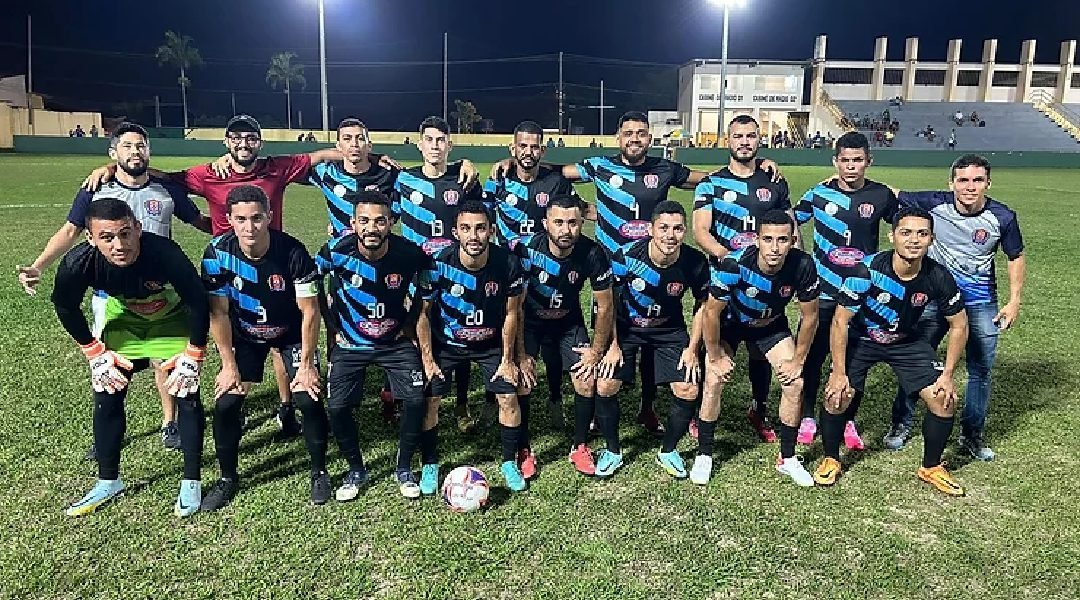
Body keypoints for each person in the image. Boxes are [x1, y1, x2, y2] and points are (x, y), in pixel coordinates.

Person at [80, 115, 404, 437]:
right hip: (227, 271)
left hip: (274, 264)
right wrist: (112, 169)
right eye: (236, 138)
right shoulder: (209, 173)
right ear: (227, 142)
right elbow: (168, 178)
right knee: (236, 338)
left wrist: (371, 156)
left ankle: (286, 406)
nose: (243, 144)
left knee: (281, 339)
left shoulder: (276, 167)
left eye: (250, 138)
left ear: (259, 143)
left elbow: (319, 155)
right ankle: (235, 398)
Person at [494, 111, 778, 437]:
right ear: (618, 137)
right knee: (606, 333)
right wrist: (512, 161)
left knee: (652, 339)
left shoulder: (665, 169)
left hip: (654, 267)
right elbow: (555, 171)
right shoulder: (600, 165)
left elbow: (711, 178)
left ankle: (647, 407)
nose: (634, 138)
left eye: (641, 133)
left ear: (649, 138)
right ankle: (598, 410)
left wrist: (755, 164)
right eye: (628, 133)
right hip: (610, 270)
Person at [18, 122, 211, 455]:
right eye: (127, 146)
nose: (135, 152)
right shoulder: (96, 187)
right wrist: (39, 265)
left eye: (141, 146)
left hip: (159, 287)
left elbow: (200, 221)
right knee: (108, 364)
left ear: (149, 151)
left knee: (164, 360)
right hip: (110, 293)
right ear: (113, 153)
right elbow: (70, 231)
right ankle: (107, 435)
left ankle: (170, 422)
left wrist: (238, 234)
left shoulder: (166, 190)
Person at [51, 199, 210, 517]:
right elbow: (65, 305)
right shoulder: (78, 262)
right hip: (125, 321)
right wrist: (94, 352)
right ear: (91, 239)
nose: (119, 244)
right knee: (107, 389)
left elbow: (197, 301)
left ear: (138, 228)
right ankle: (108, 481)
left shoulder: (164, 252)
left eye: (125, 233)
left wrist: (194, 354)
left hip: (171, 319)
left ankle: (191, 481)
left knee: (186, 390)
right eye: (107, 237)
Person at [818, 206, 969, 496]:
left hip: (906, 341)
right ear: (892, 236)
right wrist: (838, 372)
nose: (914, 240)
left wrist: (948, 375)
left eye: (922, 234)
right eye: (906, 233)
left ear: (931, 239)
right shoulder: (866, 270)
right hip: (863, 338)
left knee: (943, 399)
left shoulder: (938, 276)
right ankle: (831, 459)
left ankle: (931, 467)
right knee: (838, 395)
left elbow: (959, 325)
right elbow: (840, 322)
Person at [886, 155, 1025, 460]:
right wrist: (841, 181)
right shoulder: (933, 203)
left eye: (977, 180)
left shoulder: (1003, 217)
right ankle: (901, 423)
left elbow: (1015, 256)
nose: (970, 187)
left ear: (988, 183)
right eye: (963, 180)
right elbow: (890, 193)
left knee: (980, 370)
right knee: (914, 363)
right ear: (951, 184)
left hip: (979, 303)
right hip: (932, 301)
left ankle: (972, 435)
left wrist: (1014, 300)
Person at [199, 185, 325, 510]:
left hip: (290, 332)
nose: (249, 227)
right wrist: (228, 365)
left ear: (269, 216)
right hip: (246, 335)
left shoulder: (293, 252)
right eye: (241, 219)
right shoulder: (216, 254)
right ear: (229, 219)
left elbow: (310, 312)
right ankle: (227, 478)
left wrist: (307, 365)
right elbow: (218, 313)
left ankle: (319, 472)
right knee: (226, 403)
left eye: (256, 218)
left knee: (308, 398)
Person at [313, 190, 433, 500]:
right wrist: (331, 324)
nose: (372, 228)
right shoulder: (334, 251)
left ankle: (404, 468)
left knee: (415, 400)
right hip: (351, 343)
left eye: (380, 221)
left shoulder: (410, 253)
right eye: (364, 221)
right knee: (337, 407)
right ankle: (356, 469)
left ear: (391, 223)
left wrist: (409, 322)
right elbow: (311, 284)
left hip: (395, 341)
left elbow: (426, 286)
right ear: (353, 223)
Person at [697, 210, 820, 486]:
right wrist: (715, 356)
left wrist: (798, 360)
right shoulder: (734, 264)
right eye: (768, 239)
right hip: (731, 324)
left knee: (795, 383)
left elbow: (810, 316)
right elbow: (711, 313)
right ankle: (704, 454)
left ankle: (787, 458)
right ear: (756, 239)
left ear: (793, 241)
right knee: (714, 378)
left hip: (769, 325)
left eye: (782, 240)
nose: (775, 247)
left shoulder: (803, 265)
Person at [692, 114, 795, 442]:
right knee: (712, 349)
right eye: (738, 136)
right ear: (728, 140)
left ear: (759, 140)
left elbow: (790, 227)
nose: (744, 142)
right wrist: (731, 262)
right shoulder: (712, 183)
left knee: (760, 349)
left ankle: (759, 409)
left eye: (751, 136)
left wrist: (793, 266)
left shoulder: (774, 181)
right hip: (725, 285)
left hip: (765, 287)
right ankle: (700, 413)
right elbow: (701, 231)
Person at [793, 132, 898, 448]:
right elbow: (789, 220)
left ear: (868, 161)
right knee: (812, 358)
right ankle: (807, 416)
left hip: (863, 293)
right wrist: (800, 258)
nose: (851, 166)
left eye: (857, 160)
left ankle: (848, 419)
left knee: (856, 360)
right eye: (845, 160)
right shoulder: (818, 193)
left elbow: (904, 226)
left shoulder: (881, 195)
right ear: (835, 161)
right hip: (823, 291)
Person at [416, 200, 528, 493]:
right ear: (455, 232)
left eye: (480, 228)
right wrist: (427, 360)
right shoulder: (437, 263)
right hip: (447, 344)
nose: (473, 236)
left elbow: (512, 313)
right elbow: (423, 314)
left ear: (491, 230)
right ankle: (430, 464)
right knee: (430, 400)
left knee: (508, 398)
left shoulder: (508, 263)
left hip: (490, 344)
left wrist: (508, 359)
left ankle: (509, 462)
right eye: (466, 228)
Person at [594, 201, 710, 480]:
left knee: (688, 389)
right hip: (627, 330)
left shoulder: (695, 261)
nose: (670, 235)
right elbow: (609, 304)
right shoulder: (625, 256)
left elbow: (703, 305)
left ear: (685, 231)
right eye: (663, 228)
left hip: (668, 330)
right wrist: (612, 345)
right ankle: (612, 450)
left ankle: (668, 451)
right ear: (650, 230)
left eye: (677, 229)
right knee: (606, 384)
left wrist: (692, 349)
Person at [484, 121, 582, 425]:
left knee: (550, 340)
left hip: (546, 270)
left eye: (534, 146)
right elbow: (483, 216)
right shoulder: (498, 179)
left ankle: (555, 398)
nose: (528, 151)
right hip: (506, 271)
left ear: (543, 150)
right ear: (513, 148)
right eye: (522, 146)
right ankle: (492, 397)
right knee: (501, 335)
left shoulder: (556, 182)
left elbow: (576, 210)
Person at [395, 116, 487, 433]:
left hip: (454, 276)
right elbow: (383, 213)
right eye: (429, 140)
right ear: (419, 144)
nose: (435, 146)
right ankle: (409, 398)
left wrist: (467, 164)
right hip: (414, 275)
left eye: (441, 140)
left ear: (450, 145)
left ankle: (461, 405)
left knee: (458, 340)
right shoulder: (403, 180)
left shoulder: (464, 180)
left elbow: (481, 219)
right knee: (412, 336)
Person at [515, 195, 617, 477]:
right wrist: (521, 354)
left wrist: (596, 351)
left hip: (568, 323)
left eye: (572, 222)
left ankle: (579, 446)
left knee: (586, 379)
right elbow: (515, 306)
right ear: (545, 223)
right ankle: (523, 449)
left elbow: (605, 305)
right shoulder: (526, 250)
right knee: (522, 382)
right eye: (558, 222)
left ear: (582, 223)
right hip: (531, 323)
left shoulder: (592, 253)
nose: (565, 230)